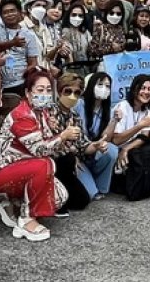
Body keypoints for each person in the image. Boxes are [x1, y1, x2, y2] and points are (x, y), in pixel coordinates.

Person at [0, 67, 62, 242]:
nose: (45, 94)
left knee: (59, 195)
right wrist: (62, 136)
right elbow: (40, 150)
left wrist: (54, 131)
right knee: (44, 164)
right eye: (40, 90)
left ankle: (11, 204)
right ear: (28, 92)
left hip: (18, 167)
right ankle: (26, 220)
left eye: (48, 90)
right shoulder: (22, 114)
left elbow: (49, 145)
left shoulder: (42, 113)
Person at [46, 73, 99, 216]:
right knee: (67, 158)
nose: (72, 96)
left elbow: (83, 145)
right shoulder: (48, 111)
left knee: (82, 201)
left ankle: (59, 196)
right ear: (59, 90)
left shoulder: (75, 116)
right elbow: (46, 143)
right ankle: (54, 199)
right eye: (68, 91)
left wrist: (97, 145)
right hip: (51, 162)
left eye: (76, 92)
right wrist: (63, 138)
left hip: (68, 166)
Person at [74, 72, 119, 199]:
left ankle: (101, 186)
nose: (104, 88)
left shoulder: (108, 110)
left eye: (107, 86)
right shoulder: (79, 105)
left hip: (95, 152)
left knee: (112, 150)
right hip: (79, 154)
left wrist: (114, 121)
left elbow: (106, 138)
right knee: (89, 193)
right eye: (100, 84)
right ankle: (90, 182)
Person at [111, 75, 150, 173]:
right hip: (114, 149)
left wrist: (126, 149)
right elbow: (116, 140)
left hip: (130, 149)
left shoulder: (146, 111)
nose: (146, 92)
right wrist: (139, 126)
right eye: (143, 88)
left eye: (149, 89)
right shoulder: (122, 107)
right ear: (134, 90)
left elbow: (144, 137)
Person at [0, 0, 40, 97]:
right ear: (1, 16)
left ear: (19, 12)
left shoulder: (29, 35)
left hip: (20, 84)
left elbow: (33, 63)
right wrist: (12, 43)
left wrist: (24, 73)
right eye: (5, 12)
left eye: (12, 11)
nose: (10, 14)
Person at [59, 2, 92, 70]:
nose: (77, 18)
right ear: (69, 15)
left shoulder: (85, 32)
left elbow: (91, 49)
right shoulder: (65, 30)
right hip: (69, 68)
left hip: (85, 68)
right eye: (74, 15)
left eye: (80, 15)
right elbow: (67, 51)